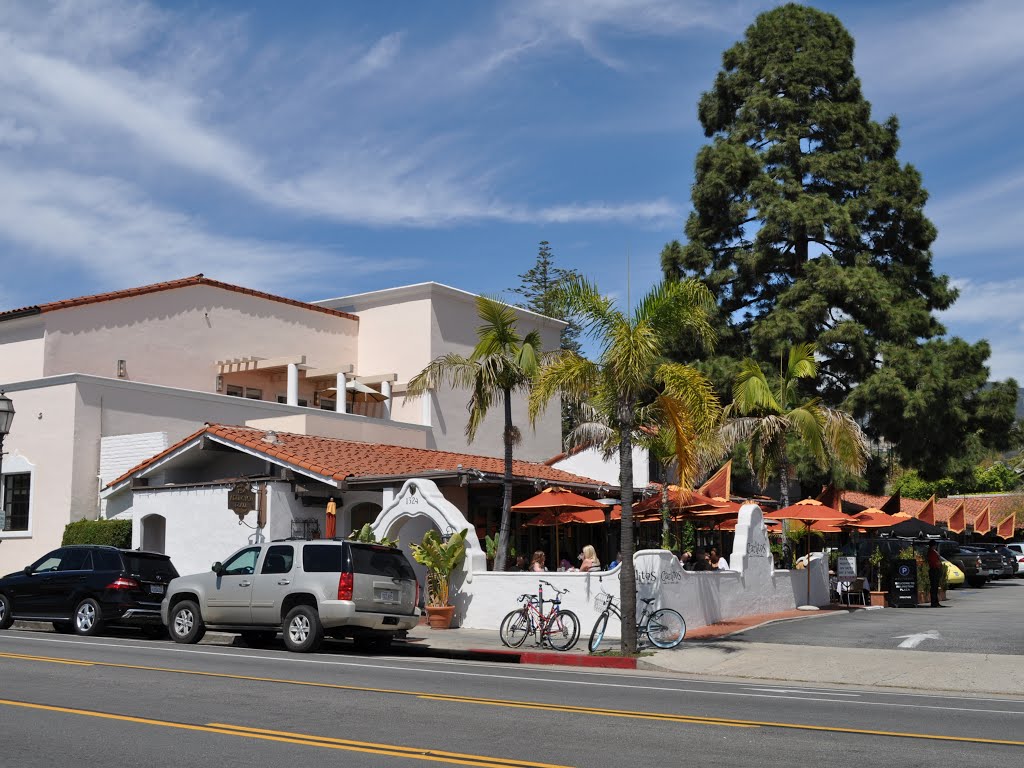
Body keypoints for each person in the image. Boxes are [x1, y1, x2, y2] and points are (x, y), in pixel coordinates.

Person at [927, 541, 943, 607]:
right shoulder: (932, 552)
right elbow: (934, 562)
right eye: (935, 545)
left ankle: (936, 602)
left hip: (935, 569)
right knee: (934, 587)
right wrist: (939, 565)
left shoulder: (933, 552)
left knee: (935, 587)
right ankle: (934, 602)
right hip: (934, 570)